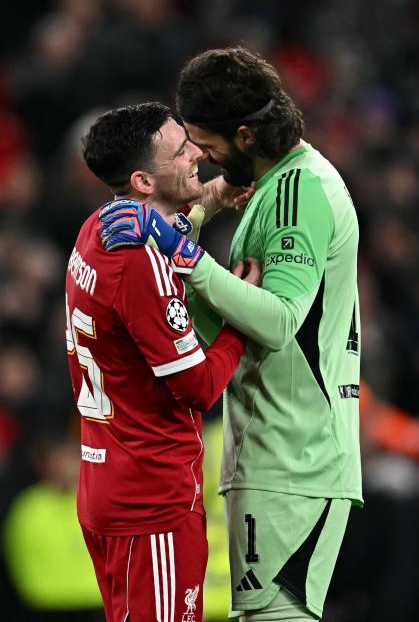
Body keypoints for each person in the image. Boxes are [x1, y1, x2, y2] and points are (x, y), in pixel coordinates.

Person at [100, 46, 363, 621]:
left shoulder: (298, 195)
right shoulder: (271, 187)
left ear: (244, 134)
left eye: (201, 139)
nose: (196, 154)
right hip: (271, 453)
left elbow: (279, 319)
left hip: (297, 461)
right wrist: (198, 217)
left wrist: (188, 253)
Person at [65, 101, 256, 622]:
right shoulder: (137, 263)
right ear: (143, 181)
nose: (198, 153)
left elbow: (151, 273)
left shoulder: (97, 230)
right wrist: (243, 315)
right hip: (153, 499)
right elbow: (198, 387)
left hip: (110, 484)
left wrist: (207, 203)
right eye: (182, 150)